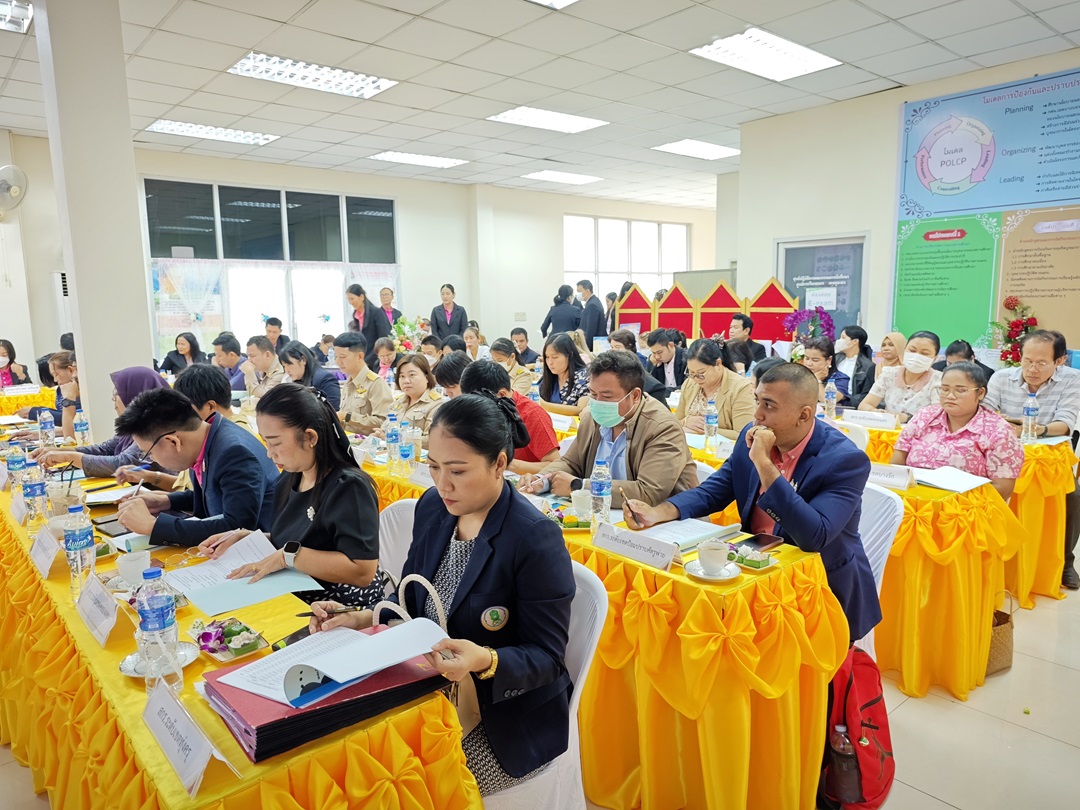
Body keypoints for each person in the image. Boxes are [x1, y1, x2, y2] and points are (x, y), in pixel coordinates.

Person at [307, 394, 575, 796]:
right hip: (426, 689)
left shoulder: (533, 538)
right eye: (433, 466)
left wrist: (483, 659)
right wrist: (361, 617)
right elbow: (414, 602)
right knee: (343, 761)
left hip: (499, 720)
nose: (442, 484)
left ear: (499, 464)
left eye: (458, 471)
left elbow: (547, 659)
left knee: (403, 787)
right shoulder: (435, 507)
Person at [624, 363, 881, 644]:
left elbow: (814, 536)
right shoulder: (753, 432)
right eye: (757, 401)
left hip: (819, 588)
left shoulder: (844, 460)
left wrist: (764, 463)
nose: (757, 415)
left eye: (768, 406)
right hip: (755, 573)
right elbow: (715, 491)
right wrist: (659, 512)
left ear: (804, 415)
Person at [196, 384, 385, 607]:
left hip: (340, 604)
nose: (269, 453)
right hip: (294, 588)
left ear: (310, 437)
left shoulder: (349, 487)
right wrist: (247, 537)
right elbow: (300, 539)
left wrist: (289, 556)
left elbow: (362, 570)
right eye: (266, 442)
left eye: (276, 443)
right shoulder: (290, 477)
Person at [521, 351, 696, 508]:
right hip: (605, 512)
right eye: (592, 394)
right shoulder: (593, 417)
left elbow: (648, 493)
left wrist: (580, 486)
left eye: (606, 396)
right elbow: (571, 463)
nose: (597, 402)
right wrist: (540, 479)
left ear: (635, 396)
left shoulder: (662, 428)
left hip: (663, 521)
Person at [114, 388, 279, 546]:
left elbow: (236, 528)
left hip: (263, 550)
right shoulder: (206, 439)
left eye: (149, 453)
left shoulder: (234, 453)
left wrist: (152, 526)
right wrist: (165, 501)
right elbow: (215, 495)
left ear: (173, 442)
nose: (152, 459)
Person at [983, 330, 1080, 590]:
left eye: (1041, 363)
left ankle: (1066, 562)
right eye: (1027, 361)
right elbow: (985, 413)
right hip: (1003, 451)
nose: (1032, 369)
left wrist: (1036, 429)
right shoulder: (1002, 377)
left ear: (1059, 361)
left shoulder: (1072, 379)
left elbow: (1064, 423)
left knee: (1073, 496)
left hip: (1047, 457)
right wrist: (1007, 427)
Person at [891, 363, 1023, 501]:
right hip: (912, 502)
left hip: (965, 507)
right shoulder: (924, 416)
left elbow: (1003, 489)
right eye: (944, 389)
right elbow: (896, 466)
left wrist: (952, 501)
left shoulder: (998, 430)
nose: (950, 396)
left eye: (960, 390)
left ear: (980, 393)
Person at [115, 363, 246, 490]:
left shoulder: (230, 447)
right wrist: (151, 479)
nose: (180, 413)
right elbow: (190, 489)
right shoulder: (204, 436)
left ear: (210, 406)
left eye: (187, 408)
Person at [34, 367, 171, 477]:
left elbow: (121, 463)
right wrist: (56, 451)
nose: (113, 399)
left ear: (135, 395)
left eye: (117, 393)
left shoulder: (155, 426)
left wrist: (67, 456)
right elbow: (104, 449)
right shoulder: (134, 425)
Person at [461, 360, 560, 474]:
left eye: (480, 403)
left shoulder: (531, 414)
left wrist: (505, 463)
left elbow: (555, 466)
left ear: (501, 395)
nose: (477, 410)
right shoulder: (478, 412)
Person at [676, 337, 755, 439]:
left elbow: (744, 434)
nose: (696, 378)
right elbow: (675, 421)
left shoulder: (741, 388)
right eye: (691, 373)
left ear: (718, 363)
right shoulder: (690, 383)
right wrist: (685, 422)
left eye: (701, 373)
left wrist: (705, 430)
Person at [860, 330, 942, 423]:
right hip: (887, 430)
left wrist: (907, 418)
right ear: (904, 350)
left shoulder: (939, 381)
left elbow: (938, 416)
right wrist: (874, 411)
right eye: (912, 350)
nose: (916, 356)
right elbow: (864, 405)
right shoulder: (889, 374)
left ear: (934, 358)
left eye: (924, 353)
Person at [374, 353, 445, 448]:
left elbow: (431, 440)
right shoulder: (398, 401)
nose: (406, 381)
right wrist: (380, 433)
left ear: (427, 377)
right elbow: (385, 428)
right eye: (402, 376)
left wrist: (396, 438)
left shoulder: (436, 404)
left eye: (412, 375)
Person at [333, 332, 394, 436]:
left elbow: (383, 422)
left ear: (360, 356)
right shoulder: (348, 384)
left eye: (342, 357)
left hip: (369, 443)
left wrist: (347, 416)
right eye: (336, 356)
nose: (338, 362)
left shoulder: (375, 384)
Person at [19, 351, 81, 434]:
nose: (55, 380)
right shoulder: (61, 389)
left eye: (56, 374)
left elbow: (73, 423)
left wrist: (35, 412)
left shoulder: (81, 392)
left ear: (70, 370)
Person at [607, 328, 669, 408]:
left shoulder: (651, 385)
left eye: (617, 347)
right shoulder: (612, 371)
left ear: (629, 347)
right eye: (612, 347)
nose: (613, 351)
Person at [538, 332, 590, 416]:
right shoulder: (548, 379)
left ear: (569, 355)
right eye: (547, 357)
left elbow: (581, 409)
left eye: (555, 357)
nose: (550, 362)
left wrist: (544, 405)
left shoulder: (583, 377)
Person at [280, 340, 341, 410]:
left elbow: (333, 410)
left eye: (289, 364)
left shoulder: (325, 379)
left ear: (303, 360)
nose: (287, 370)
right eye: (284, 366)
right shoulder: (292, 380)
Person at [346, 284, 392, 368]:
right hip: (362, 361)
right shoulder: (356, 316)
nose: (350, 302)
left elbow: (383, 340)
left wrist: (367, 361)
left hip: (376, 362)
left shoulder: (376, 313)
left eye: (352, 298)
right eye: (348, 299)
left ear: (361, 297)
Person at [799, 337, 851, 405]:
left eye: (815, 360)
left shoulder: (840, 379)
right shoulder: (799, 376)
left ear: (829, 360)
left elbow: (826, 400)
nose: (809, 363)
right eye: (807, 358)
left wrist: (817, 380)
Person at [834, 325, 876, 408]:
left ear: (855, 341)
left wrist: (848, 398)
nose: (839, 341)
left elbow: (866, 393)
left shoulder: (868, 366)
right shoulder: (835, 359)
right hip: (830, 400)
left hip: (851, 405)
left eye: (843, 338)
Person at [241, 335, 286, 413]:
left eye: (252, 356)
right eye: (248, 356)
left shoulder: (280, 371)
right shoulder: (263, 369)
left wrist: (249, 373)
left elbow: (265, 398)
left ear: (267, 355)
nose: (249, 360)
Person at [646, 328, 688, 392]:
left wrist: (663, 391)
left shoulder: (686, 359)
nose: (657, 356)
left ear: (671, 345)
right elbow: (648, 386)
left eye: (659, 352)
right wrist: (651, 365)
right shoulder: (654, 359)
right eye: (653, 353)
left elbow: (687, 387)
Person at [576, 279, 606, 350]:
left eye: (579, 291)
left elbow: (590, 329)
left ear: (587, 291)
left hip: (593, 346)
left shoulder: (592, 305)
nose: (578, 294)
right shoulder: (592, 302)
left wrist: (586, 348)